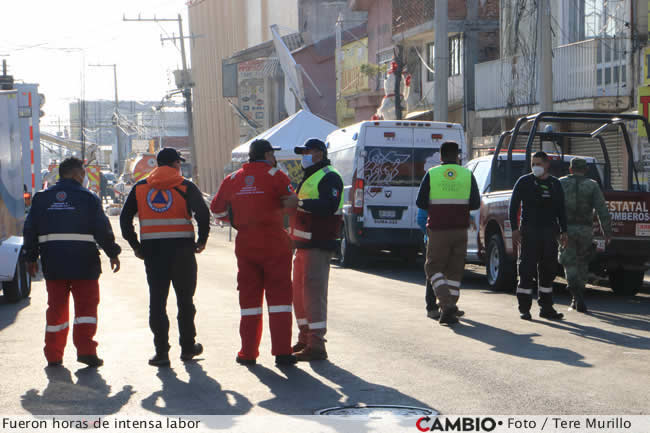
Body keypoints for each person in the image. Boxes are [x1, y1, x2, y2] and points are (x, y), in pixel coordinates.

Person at [23, 157, 121, 368]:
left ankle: (53, 355)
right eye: (83, 173)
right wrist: (112, 252)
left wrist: (31, 257)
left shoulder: (42, 198)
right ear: (78, 174)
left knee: (56, 309)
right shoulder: (89, 198)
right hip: (84, 264)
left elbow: (30, 229)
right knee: (86, 310)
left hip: (54, 264)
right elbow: (102, 229)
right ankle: (86, 352)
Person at [211, 139, 298, 366]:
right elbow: (292, 202)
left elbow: (217, 210)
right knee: (279, 299)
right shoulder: (276, 175)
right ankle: (282, 353)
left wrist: (237, 220)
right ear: (268, 154)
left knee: (249, 301)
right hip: (274, 242)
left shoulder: (232, 179)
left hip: (246, 244)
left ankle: (248, 353)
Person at [120, 148, 210, 366]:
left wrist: (136, 246)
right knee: (185, 301)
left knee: (157, 302)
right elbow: (203, 214)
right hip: (183, 252)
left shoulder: (141, 188)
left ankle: (161, 353)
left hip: (153, 253)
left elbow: (124, 220)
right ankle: (188, 348)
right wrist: (202, 240)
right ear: (176, 164)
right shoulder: (186, 186)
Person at [290, 138, 343, 360]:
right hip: (303, 244)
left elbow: (329, 206)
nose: (304, 155)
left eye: (307, 151)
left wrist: (299, 203)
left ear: (319, 153)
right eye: (302, 152)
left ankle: (317, 344)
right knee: (300, 294)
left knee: (313, 294)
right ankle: (305, 338)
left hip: (318, 244)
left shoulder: (330, 176)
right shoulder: (310, 176)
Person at [416, 141, 480, 325]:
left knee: (432, 268)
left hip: (438, 229)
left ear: (441, 156)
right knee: (454, 271)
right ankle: (449, 309)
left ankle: (445, 304)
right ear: (457, 156)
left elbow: (421, 203)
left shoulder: (432, 174)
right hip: (460, 231)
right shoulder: (467, 175)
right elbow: (475, 204)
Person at [510, 151, 568, 321]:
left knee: (548, 270)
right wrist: (514, 229)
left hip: (550, 232)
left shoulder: (555, 184)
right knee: (526, 270)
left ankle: (547, 308)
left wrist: (564, 231)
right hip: (529, 231)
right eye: (533, 164)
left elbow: (561, 210)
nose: (535, 167)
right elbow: (513, 207)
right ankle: (524, 309)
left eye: (538, 164)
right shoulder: (524, 182)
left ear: (547, 165)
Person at [559, 157, 612, 313]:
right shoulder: (592, 185)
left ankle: (575, 293)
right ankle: (579, 293)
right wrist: (607, 232)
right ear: (586, 170)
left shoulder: (560, 183)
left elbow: (553, 206)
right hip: (585, 230)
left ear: (570, 169)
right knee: (582, 262)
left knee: (569, 262)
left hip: (566, 229)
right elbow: (602, 210)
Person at [417, 207, 439, 319]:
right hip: (433, 239)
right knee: (432, 271)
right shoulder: (428, 190)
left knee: (450, 271)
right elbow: (421, 219)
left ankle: (448, 305)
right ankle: (431, 307)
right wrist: (431, 234)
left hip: (449, 237)